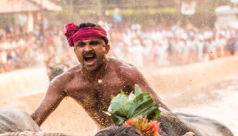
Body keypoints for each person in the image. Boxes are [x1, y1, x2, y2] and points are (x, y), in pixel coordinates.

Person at [31, 22, 169, 128]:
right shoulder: (64, 82)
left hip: (133, 135)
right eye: (81, 45)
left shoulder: (125, 72)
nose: (87, 49)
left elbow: (159, 107)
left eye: (94, 43)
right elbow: (36, 118)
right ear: (75, 51)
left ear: (107, 48)